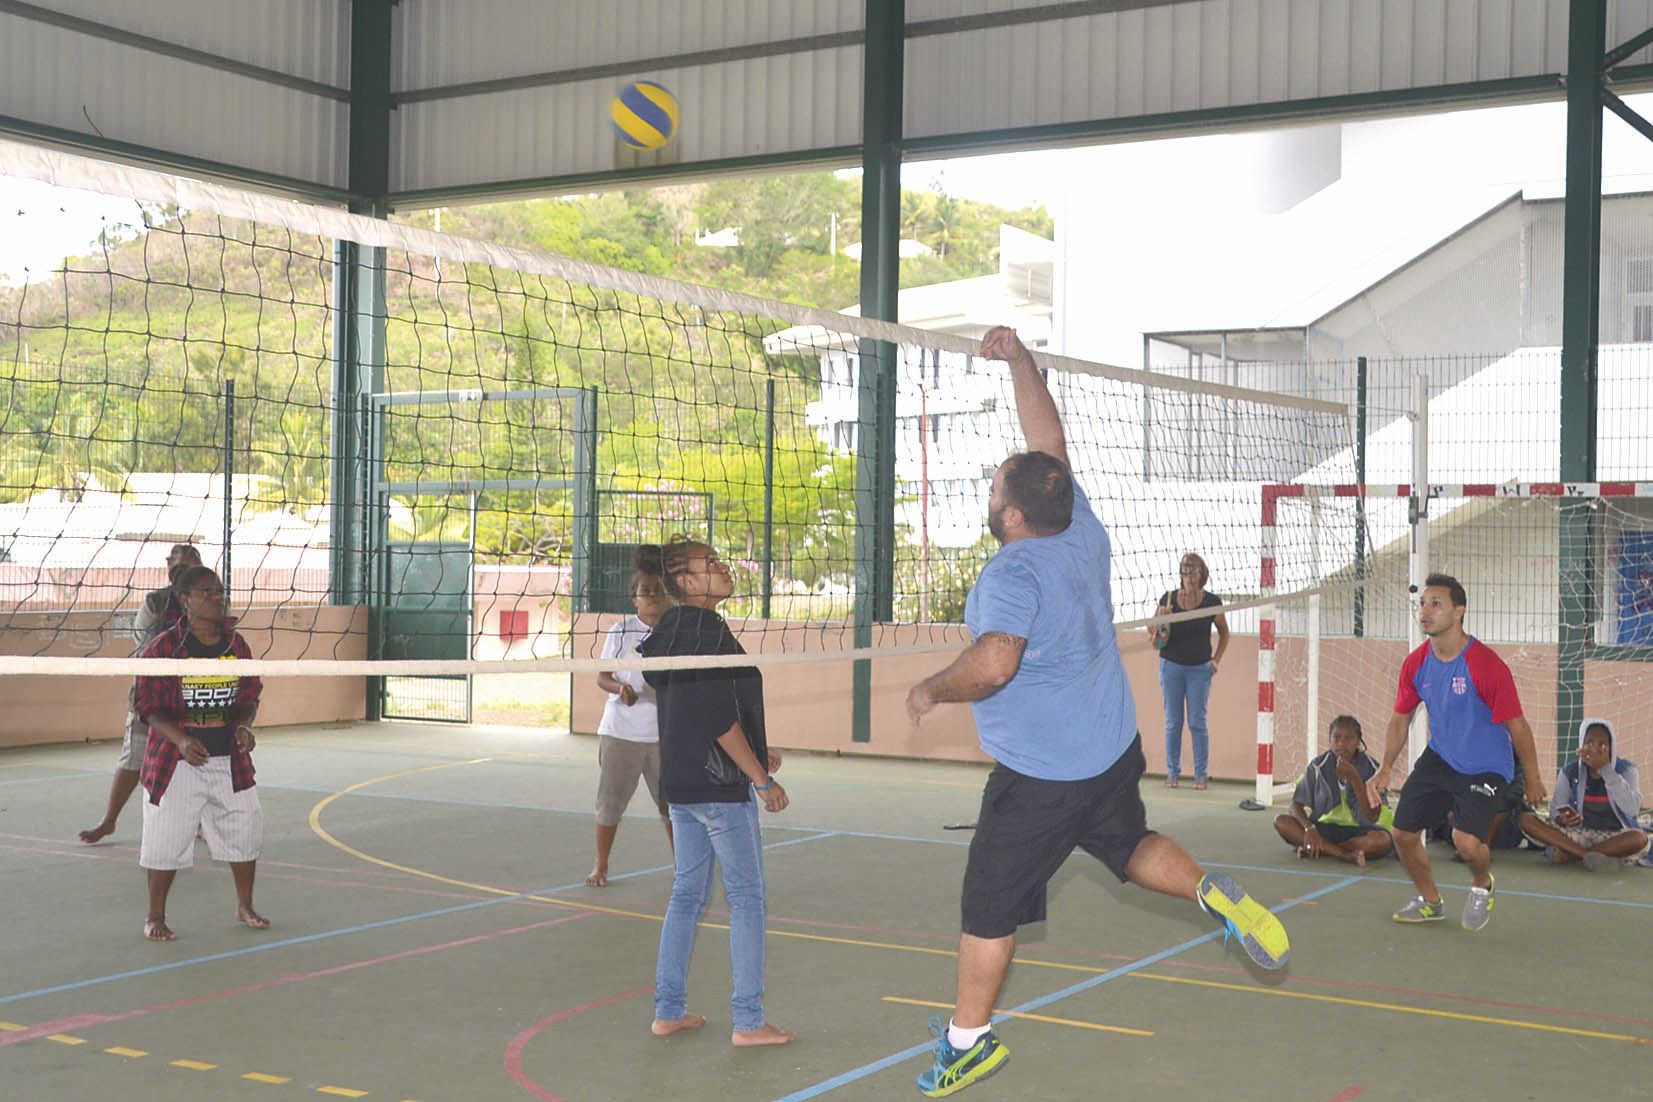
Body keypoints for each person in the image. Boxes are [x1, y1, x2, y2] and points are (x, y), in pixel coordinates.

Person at [904, 326, 1289, 1098]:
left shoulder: (1011, 572)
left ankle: (965, 1042)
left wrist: (932, 689)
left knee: (987, 903)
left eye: (994, 488)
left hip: (1043, 774)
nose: (989, 492)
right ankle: (1208, 890)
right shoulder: (1077, 525)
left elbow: (996, 661)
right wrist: (1020, 361)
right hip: (1109, 748)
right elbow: (1047, 444)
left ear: (1013, 514)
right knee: (1126, 842)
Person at [636, 537, 792, 1048]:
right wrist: (760, 779)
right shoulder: (705, 631)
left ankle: (668, 1012)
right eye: (711, 564)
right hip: (719, 789)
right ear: (685, 581)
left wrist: (757, 751)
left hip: (681, 784)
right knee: (746, 898)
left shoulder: (672, 629)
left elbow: (699, 713)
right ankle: (748, 1021)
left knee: (687, 894)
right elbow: (718, 719)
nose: (724, 568)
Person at [1366, 573, 1547, 932]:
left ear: (1459, 611)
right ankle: (1430, 901)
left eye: (1436, 604)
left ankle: (1481, 885)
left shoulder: (1485, 665)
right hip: (1441, 757)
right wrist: (1385, 768)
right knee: (1402, 833)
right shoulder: (1416, 664)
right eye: (1422, 604)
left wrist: (1534, 778)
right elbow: (1400, 719)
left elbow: (1518, 726)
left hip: (1486, 766)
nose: (1425, 612)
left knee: (1465, 842)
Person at [134, 565, 266, 941]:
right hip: (176, 762)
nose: (216, 597)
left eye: (219, 591)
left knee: (244, 829)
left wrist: (243, 725)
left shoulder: (236, 645)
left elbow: (250, 694)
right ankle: (155, 916)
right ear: (185, 599)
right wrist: (179, 740)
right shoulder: (164, 648)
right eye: (206, 592)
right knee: (166, 839)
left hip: (230, 760)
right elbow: (147, 706)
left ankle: (245, 905)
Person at [79, 543, 202, 844]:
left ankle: (200, 823)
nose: (184, 572)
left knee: (198, 758)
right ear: (169, 568)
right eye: (179, 566)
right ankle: (109, 821)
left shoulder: (211, 601)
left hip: (194, 695)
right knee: (133, 759)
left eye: (191, 567)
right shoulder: (155, 603)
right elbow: (147, 649)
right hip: (154, 694)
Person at [586, 561, 674, 887]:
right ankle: (600, 865)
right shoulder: (620, 631)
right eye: (645, 591)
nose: (652, 596)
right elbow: (603, 678)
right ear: (634, 598)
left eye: (658, 591)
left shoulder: (674, 631)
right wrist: (620, 689)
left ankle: (683, 868)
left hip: (664, 734)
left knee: (672, 806)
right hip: (621, 732)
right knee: (610, 804)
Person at [1518, 718, 1649, 870]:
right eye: (1590, 743)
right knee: (1526, 819)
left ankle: (1571, 855)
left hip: (1614, 836)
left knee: (1639, 838)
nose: (1595, 749)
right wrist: (1562, 820)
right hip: (1577, 835)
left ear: (1611, 748)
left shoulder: (1627, 770)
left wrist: (1605, 769)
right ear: (1581, 747)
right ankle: (1587, 855)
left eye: (1602, 744)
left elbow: (1631, 810)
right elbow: (1555, 813)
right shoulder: (1569, 771)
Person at [1150, 552, 1229, 789]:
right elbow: (1152, 630)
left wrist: (1216, 660)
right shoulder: (1169, 599)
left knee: (1197, 722)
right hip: (1171, 666)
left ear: (1201, 572)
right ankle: (1172, 773)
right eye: (1185, 569)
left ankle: (1200, 775)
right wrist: (1161, 619)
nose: (1188, 573)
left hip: (1199, 669)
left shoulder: (1211, 602)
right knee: (1173, 723)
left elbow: (1224, 633)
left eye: (1193, 569)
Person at [1273, 715, 1393, 866]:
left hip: (1361, 830)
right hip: (1324, 829)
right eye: (1336, 737)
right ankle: (1343, 854)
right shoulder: (1318, 766)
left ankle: (1322, 849)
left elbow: (1372, 815)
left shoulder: (1372, 768)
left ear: (1358, 742)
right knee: (1281, 821)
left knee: (1381, 841)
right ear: (1329, 740)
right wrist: (1309, 828)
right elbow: (1295, 805)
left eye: (1348, 738)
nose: (1341, 743)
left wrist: (1353, 776)